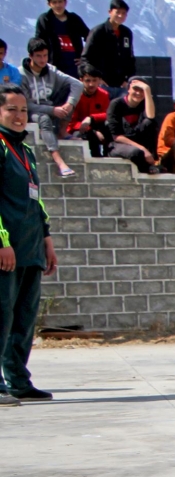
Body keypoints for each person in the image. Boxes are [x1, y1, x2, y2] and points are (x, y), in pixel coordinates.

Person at [0, 86, 58, 405]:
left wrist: (46, 240)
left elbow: (36, 202)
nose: (19, 116)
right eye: (12, 109)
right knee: (2, 315)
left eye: (23, 110)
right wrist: (1, 241)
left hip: (31, 248)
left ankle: (18, 379)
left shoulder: (26, 152)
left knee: (23, 317)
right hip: (6, 251)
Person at [20, 38, 82, 179]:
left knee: (69, 90)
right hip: (32, 111)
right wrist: (52, 110)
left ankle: (62, 131)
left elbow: (77, 84)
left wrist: (69, 104)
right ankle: (59, 161)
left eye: (45, 55)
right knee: (44, 119)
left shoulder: (51, 70)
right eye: (38, 56)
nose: (43, 60)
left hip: (50, 105)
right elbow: (26, 105)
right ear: (30, 56)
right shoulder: (21, 75)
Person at [105, 76, 157, 173]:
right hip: (118, 144)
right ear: (128, 89)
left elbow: (151, 117)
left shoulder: (145, 104)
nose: (138, 93)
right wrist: (142, 148)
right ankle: (147, 168)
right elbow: (116, 136)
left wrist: (147, 89)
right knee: (136, 152)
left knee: (150, 123)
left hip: (137, 141)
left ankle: (153, 163)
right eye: (135, 89)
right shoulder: (116, 104)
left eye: (142, 90)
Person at [83, 0, 134, 92]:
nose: (120, 16)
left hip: (122, 86)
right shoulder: (98, 32)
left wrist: (128, 80)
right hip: (102, 84)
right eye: (117, 12)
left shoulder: (127, 33)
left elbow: (130, 59)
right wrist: (96, 79)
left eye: (124, 13)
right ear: (110, 12)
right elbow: (86, 58)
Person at [35, 0, 91, 77]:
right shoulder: (44, 20)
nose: (58, 5)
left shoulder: (74, 19)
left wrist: (85, 58)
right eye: (54, 2)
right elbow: (38, 43)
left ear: (65, 2)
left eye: (60, 2)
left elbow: (90, 38)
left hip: (75, 68)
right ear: (49, 4)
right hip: (54, 68)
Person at [71, 64, 111, 157]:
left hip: (97, 126)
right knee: (86, 136)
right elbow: (72, 123)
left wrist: (92, 118)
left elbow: (108, 114)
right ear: (81, 80)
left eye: (94, 80)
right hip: (80, 129)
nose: (91, 84)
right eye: (88, 80)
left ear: (99, 80)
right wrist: (93, 131)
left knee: (109, 126)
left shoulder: (104, 94)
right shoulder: (75, 95)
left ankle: (108, 154)